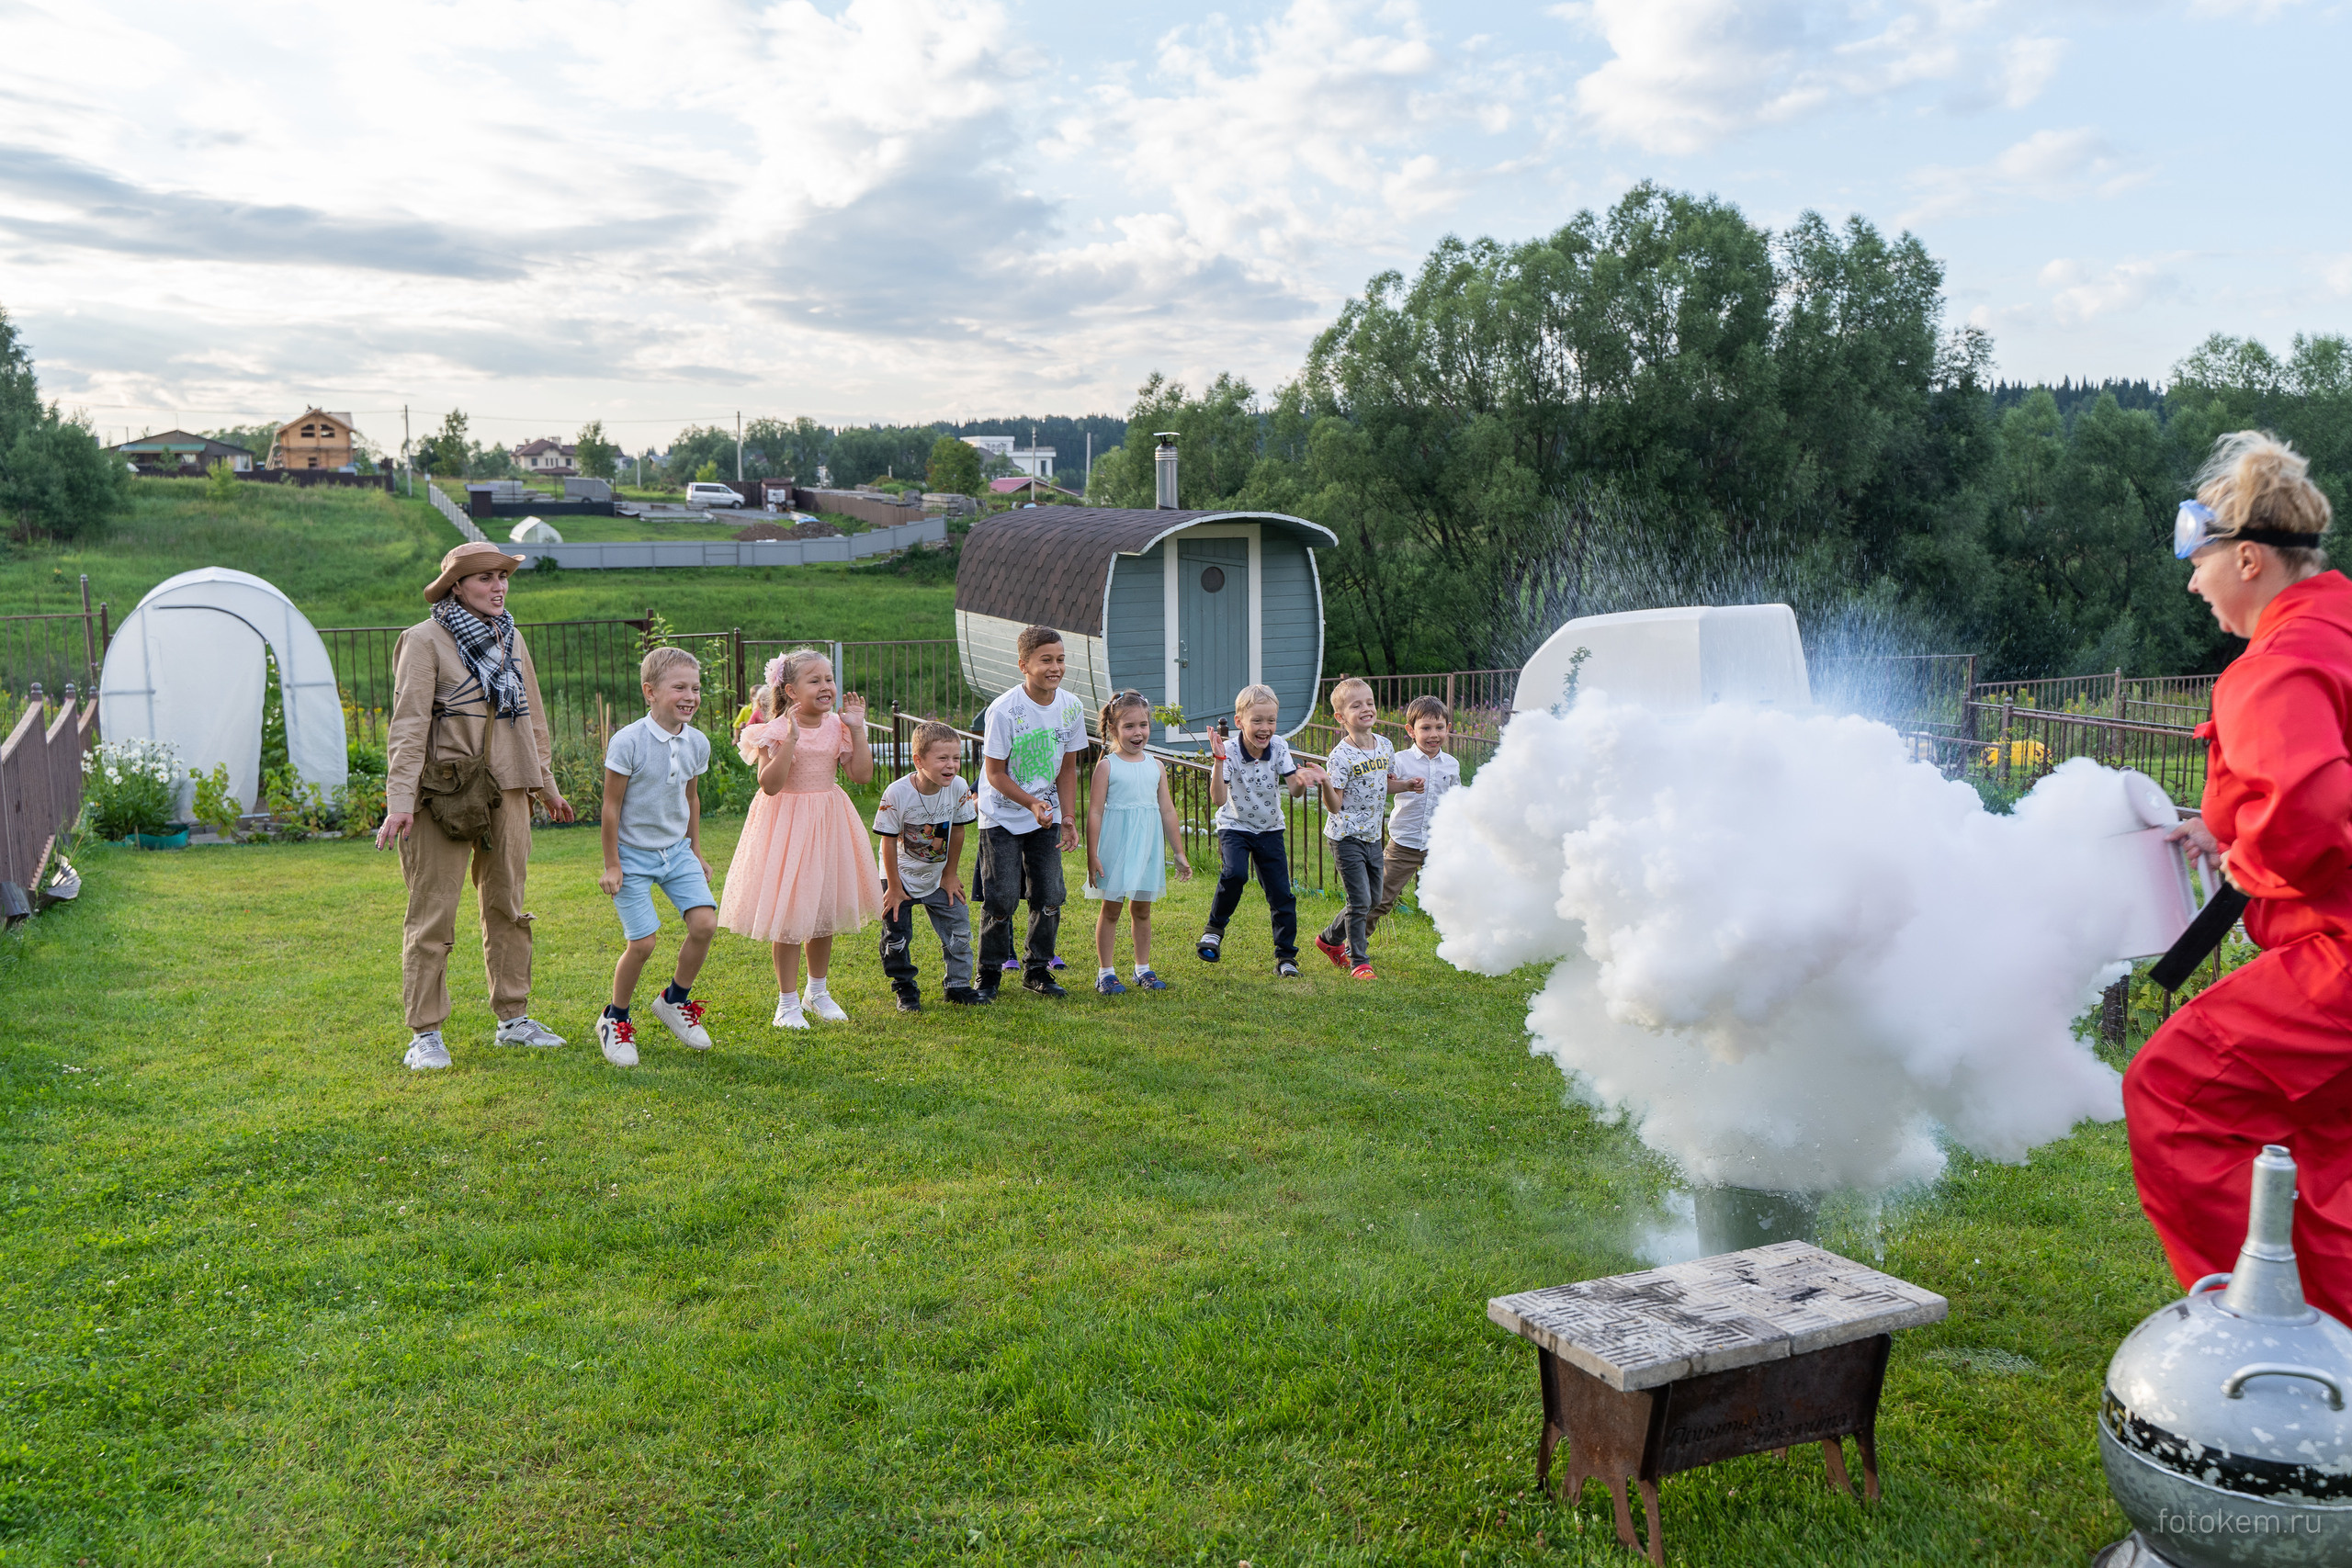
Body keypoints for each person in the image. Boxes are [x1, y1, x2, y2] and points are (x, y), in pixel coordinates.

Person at [2122, 431, 2352, 1323]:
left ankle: (2254, 1335)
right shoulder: (2337, 628)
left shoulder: (2271, 666)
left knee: (2171, 1094)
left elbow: (2305, 818)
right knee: (2321, 1157)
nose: (2193, 584)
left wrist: (2250, 856)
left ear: (2248, 558)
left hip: (2337, 957)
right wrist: (2224, 827)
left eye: (2200, 563)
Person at [377, 541, 574, 1071]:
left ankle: (513, 1019)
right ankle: (425, 1034)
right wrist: (400, 800)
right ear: (457, 587)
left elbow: (532, 718)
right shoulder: (423, 640)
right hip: (441, 793)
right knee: (432, 913)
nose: (498, 586)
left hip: (508, 788)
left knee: (508, 905)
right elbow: (408, 725)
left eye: (502, 577)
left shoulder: (511, 637)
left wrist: (545, 784)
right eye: (485, 577)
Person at [717, 649, 879, 1028]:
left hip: (828, 821)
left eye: (829, 679)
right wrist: (790, 740)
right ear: (790, 690)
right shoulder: (774, 730)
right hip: (786, 825)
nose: (826, 687)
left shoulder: (838, 726)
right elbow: (769, 785)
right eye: (815, 680)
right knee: (789, 911)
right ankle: (786, 1003)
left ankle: (817, 992)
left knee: (823, 907)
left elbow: (861, 776)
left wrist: (857, 728)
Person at [593, 646, 718, 1068]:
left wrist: (695, 851)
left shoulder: (697, 742)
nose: (691, 696)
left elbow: (691, 798)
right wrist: (613, 864)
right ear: (650, 691)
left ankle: (674, 1000)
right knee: (643, 943)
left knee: (705, 924)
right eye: (679, 687)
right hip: (632, 855)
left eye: (696, 688)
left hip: (676, 852)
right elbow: (611, 807)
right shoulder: (629, 741)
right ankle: (615, 1019)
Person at [977, 626, 1087, 999]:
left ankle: (1037, 969)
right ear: (1024, 665)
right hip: (1002, 815)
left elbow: (1068, 769)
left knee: (1050, 893)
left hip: (1046, 815)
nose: (1055, 668)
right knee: (1002, 896)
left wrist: (1067, 817)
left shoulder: (1071, 707)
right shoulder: (1004, 710)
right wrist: (1030, 803)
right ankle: (988, 973)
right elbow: (994, 774)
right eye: (1046, 660)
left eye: (1060, 659)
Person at [1196, 683, 1327, 976]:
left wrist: (1302, 779)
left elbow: (1294, 791)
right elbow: (1218, 799)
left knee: (1282, 895)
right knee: (1235, 874)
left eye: (1271, 720)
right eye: (1257, 720)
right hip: (1235, 825)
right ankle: (1214, 931)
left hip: (1270, 828)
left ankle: (1286, 958)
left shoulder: (1279, 746)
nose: (1265, 727)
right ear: (1240, 721)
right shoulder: (1229, 751)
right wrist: (1218, 760)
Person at [1084, 690, 1193, 995]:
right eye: (1129, 726)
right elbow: (1094, 812)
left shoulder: (1155, 766)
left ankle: (1142, 968)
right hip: (1116, 847)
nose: (1138, 732)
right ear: (1114, 728)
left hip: (1146, 848)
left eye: (1143, 725)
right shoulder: (1107, 766)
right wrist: (1092, 855)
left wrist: (1179, 852)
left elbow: (1167, 810)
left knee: (1142, 909)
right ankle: (1106, 973)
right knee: (1111, 909)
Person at [875, 719, 985, 1012]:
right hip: (899, 876)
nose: (951, 765)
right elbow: (887, 841)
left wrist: (950, 875)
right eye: (942, 758)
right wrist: (894, 888)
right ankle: (905, 989)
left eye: (956, 758)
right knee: (896, 938)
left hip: (938, 877)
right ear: (919, 761)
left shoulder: (958, 787)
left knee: (959, 927)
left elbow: (958, 830)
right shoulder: (897, 793)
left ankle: (958, 986)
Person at [1313, 677, 1416, 978]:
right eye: (1356, 705)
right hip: (1346, 837)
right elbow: (1334, 805)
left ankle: (1329, 939)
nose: (1366, 709)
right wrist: (1325, 782)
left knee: (1373, 899)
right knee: (1359, 901)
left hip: (1373, 835)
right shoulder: (1340, 756)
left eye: (1369, 703)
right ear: (1341, 717)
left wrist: (1407, 785)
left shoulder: (1385, 745)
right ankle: (1359, 960)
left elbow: (1384, 784)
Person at [1367, 694, 1461, 934]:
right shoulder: (1399, 761)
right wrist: (1404, 785)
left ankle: (1458, 942)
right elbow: (1382, 787)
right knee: (1379, 899)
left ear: (1448, 728)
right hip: (1403, 844)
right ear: (1411, 730)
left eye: (1439, 727)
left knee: (1453, 896)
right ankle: (1352, 944)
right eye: (1426, 728)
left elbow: (1456, 799)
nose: (1434, 734)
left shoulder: (1451, 764)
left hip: (1438, 845)